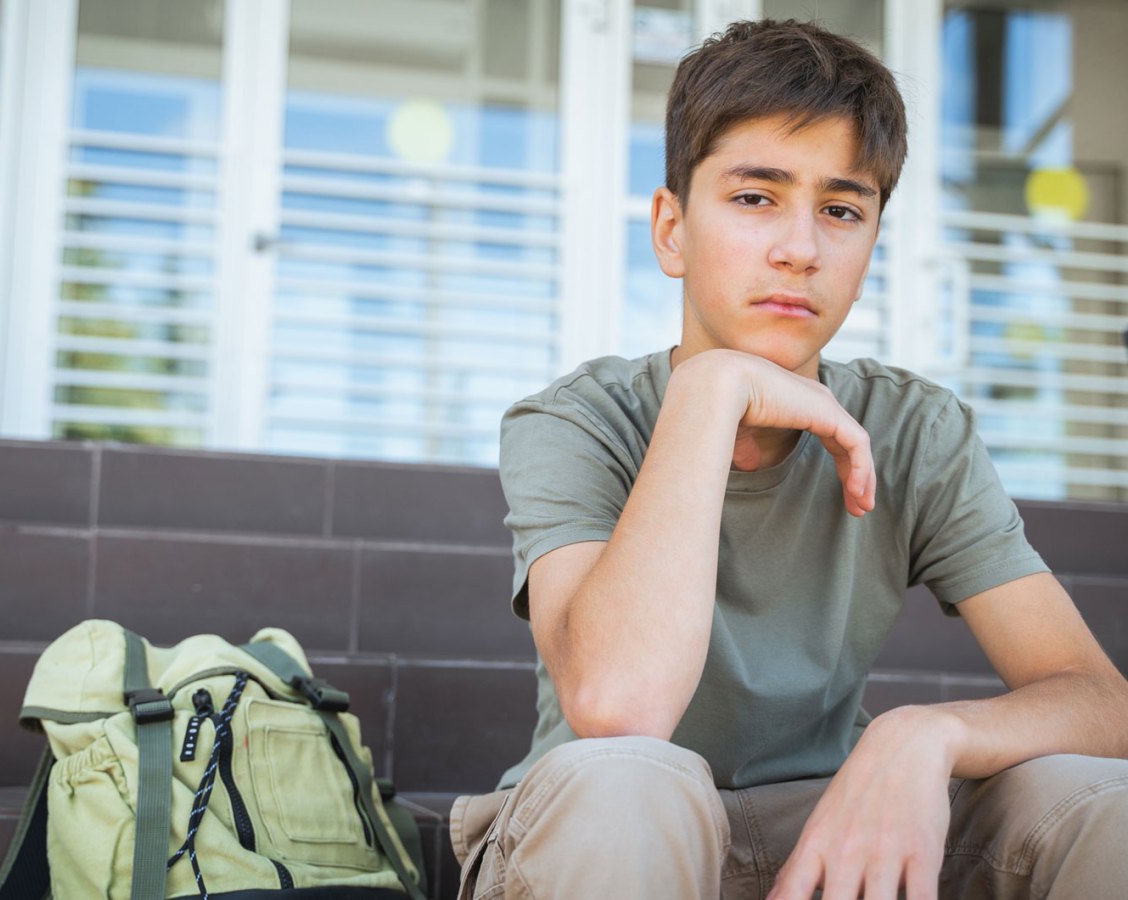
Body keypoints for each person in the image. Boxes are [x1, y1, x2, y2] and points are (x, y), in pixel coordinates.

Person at [448, 18, 1128, 900]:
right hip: (605, 830)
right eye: (754, 197)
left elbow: (1100, 701)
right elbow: (619, 706)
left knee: (1097, 802)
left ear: (870, 246)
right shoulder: (578, 419)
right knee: (628, 783)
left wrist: (925, 735)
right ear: (671, 230)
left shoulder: (914, 427)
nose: (800, 250)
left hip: (829, 827)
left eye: (841, 211)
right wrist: (710, 392)